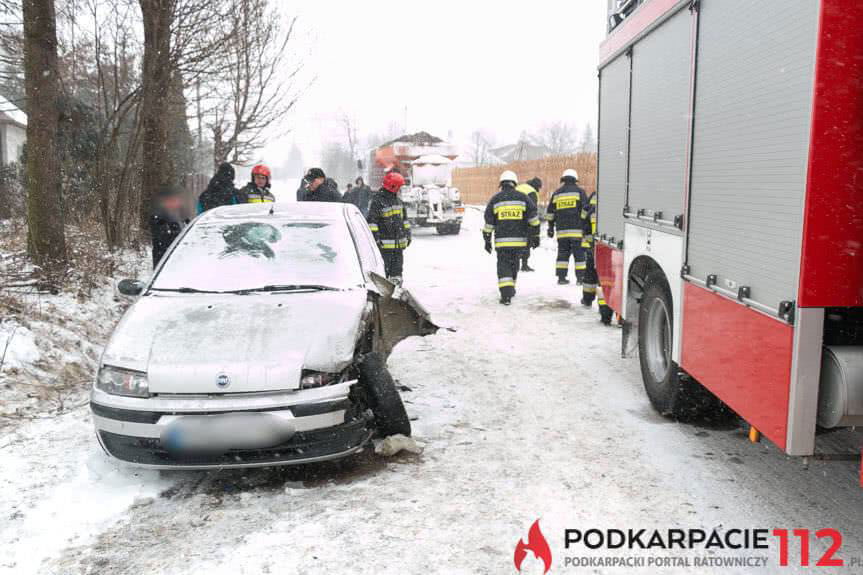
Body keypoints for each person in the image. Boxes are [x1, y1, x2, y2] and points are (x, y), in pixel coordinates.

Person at [483, 170, 541, 305]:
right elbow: (533, 218)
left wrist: (487, 239)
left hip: (502, 243)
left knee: (503, 265)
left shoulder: (495, 199)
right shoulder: (523, 198)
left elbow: (489, 222)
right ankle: (511, 287)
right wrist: (536, 235)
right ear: (514, 183)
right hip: (519, 242)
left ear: (501, 184)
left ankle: (506, 294)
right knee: (514, 264)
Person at [546, 168, 590, 285]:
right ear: (575, 179)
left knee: (562, 254)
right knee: (579, 255)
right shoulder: (580, 192)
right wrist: (585, 225)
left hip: (562, 232)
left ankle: (561, 278)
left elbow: (550, 212)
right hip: (577, 231)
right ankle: (580, 278)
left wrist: (550, 227)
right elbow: (586, 210)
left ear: (563, 179)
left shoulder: (557, 193)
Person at [367, 170, 411, 284]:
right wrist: (376, 239)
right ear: (393, 187)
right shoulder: (377, 201)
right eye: (399, 187)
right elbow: (372, 223)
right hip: (384, 249)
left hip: (398, 248)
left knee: (397, 274)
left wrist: (408, 234)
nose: (400, 190)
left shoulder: (399, 201)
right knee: (383, 276)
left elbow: (405, 220)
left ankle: (396, 290)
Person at [150, 186, 186, 268]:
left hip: (179, 260)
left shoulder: (181, 215)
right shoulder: (158, 217)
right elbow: (163, 237)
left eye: (176, 200)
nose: (175, 203)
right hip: (164, 261)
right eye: (171, 201)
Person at [514, 176, 542, 272]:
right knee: (527, 241)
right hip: (524, 219)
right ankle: (524, 265)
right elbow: (532, 209)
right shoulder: (532, 192)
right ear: (536, 186)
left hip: (513, 217)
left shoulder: (520, 187)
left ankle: (514, 263)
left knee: (515, 241)